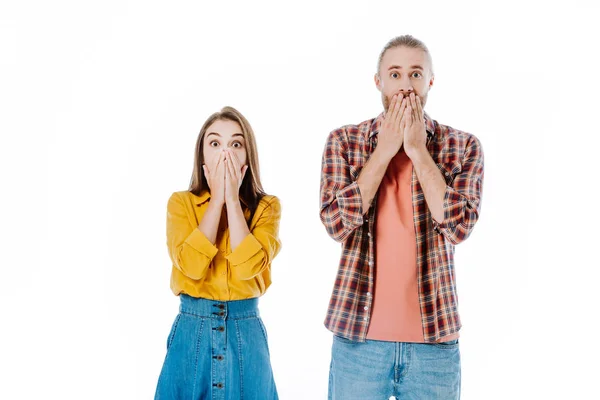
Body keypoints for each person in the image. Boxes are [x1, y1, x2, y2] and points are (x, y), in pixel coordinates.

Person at [319, 35, 484, 399]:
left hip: (434, 345)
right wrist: (384, 151)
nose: (405, 85)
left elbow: (459, 227)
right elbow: (335, 222)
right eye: (395, 74)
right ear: (378, 81)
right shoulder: (344, 141)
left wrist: (417, 151)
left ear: (430, 82)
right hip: (357, 343)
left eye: (415, 74)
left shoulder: (463, 145)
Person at [155, 106, 281, 399]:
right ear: (202, 157)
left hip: (244, 330)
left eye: (236, 144)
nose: (226, 153)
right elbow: (190, 265)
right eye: (215, 143)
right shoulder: (181, 204)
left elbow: (250, 268)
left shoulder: (267, 207)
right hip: (191, 329)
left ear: (247, 157)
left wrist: (233, 202)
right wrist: (216, 203)